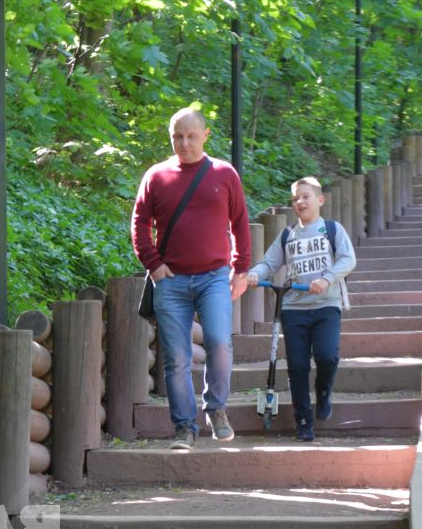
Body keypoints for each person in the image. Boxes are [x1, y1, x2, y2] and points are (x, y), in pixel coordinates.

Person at [131, 108, 253, 450]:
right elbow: (139, 224)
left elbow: (240, 222)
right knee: (177, 357)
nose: (184, 143)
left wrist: (240, 268)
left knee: (218, 341)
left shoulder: (224, 173)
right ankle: (184, 427)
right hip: (170, 280)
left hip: (214, 276)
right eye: (177, 137)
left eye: (191, 136)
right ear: (171, 137)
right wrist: (153, 264)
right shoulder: (156, 176)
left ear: (205, 135)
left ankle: (216, 408)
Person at [242, 177, 356, 442]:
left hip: (327, 305)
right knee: (297, 366)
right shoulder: (287, 235)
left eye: (305, 196)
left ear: (319, 200)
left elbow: (348, 259)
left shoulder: (331, 229)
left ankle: (324, 390)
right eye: (295, 199)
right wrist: (255, 275)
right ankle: (303, 420)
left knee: (327, 356)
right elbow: (268, 263)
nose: (300, 202)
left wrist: (326, 278)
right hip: (293, 308)